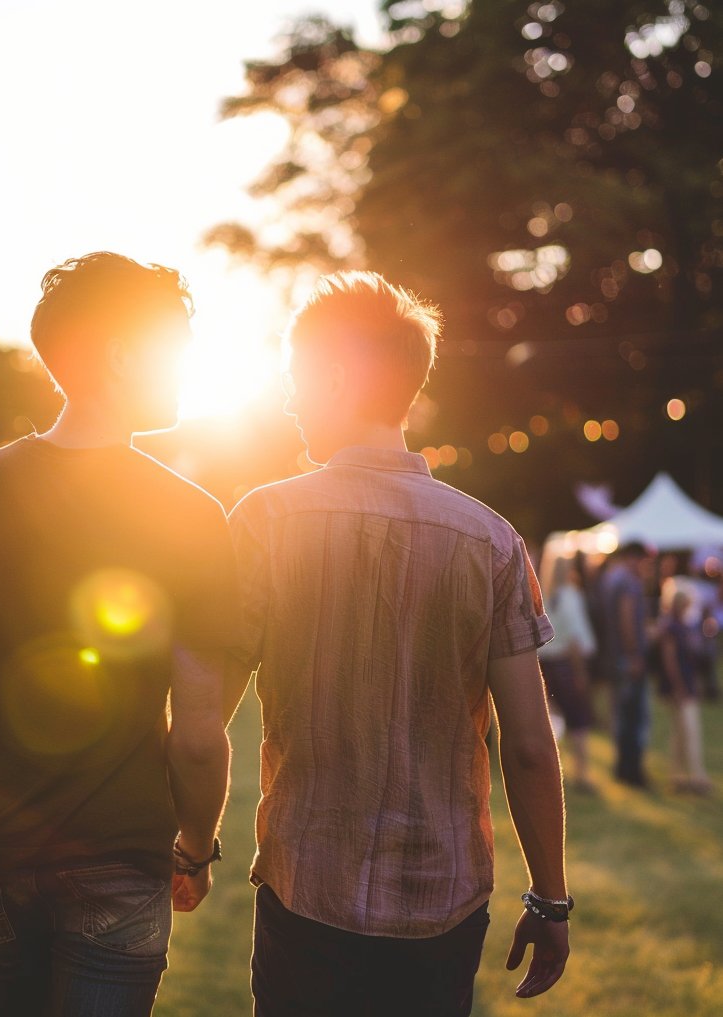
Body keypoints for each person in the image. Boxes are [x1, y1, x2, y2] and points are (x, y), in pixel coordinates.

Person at [0, 252, 239, 1017]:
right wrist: (196, 845)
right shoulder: (189, 514)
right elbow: (199, 734)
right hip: (118, 856)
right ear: (119, 354)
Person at [226, 272, 570, 1017]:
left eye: (298, 380)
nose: (288, 402)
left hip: (304, 887)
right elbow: (530, 745)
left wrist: (185, 843)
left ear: (339, 377)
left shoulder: (265, 521)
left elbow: (204, 712)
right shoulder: (490, 541)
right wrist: (550, 898)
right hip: (439, 902)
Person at [538, 554, 598, 792]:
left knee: (554, 720)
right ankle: (581, 774)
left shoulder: (543, 595)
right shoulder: (571, 595)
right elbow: (575, 637)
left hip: (546, 664)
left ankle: (554, 772)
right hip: (567, 663)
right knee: (579, 721)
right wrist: (580, 672)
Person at [600, 541, 653, 788]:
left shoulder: (611, 578)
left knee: (621, 713)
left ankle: (622, 769)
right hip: (627, 658)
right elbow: (627, 619)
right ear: (636, 557)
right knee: (635, 715)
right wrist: (634, 654)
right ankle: (633, 771)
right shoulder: (629, 582)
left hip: (613, 656)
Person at [655, 577, 712, 795]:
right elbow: (670, 661)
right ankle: (696, 776)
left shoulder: (684, 626)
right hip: (680, 686)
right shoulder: (671, 627)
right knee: (689, 730)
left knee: (680, 732)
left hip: (686, 683)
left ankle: (678, 775)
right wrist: (679, 686)